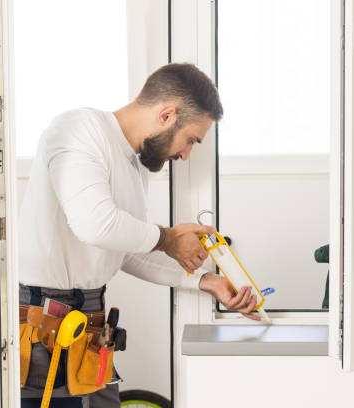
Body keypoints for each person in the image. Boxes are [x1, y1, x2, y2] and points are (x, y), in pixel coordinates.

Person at [18, 63, 260, 408]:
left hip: (89, 326)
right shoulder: (79, 129)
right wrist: (169, 239)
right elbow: (95, 224)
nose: (185, 154)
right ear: (166, 114)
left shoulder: (133, 164)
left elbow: (123, 249)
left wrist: (206, 281)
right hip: (46, 324)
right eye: (191, 139)